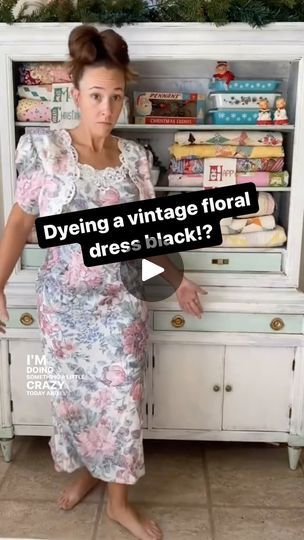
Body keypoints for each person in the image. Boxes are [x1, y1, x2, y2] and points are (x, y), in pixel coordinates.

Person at [0, 25, 207, 540]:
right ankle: (89, 472)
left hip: (120, 309)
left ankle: (119, 502)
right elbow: (21, 223)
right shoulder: (43, 151)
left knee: (120, 402)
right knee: (71, 399)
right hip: (62, 311)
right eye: (96, 95)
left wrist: (178, 280)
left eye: (116, 96)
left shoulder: (134, 160)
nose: (107, 107)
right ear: (74, 94)